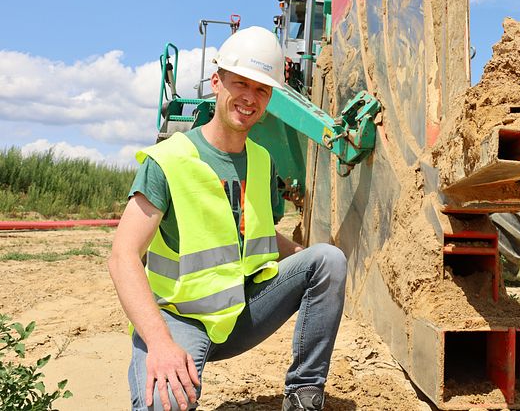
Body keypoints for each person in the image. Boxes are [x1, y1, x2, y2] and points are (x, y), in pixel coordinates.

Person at [108, 26, 346, 411]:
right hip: (180, 320)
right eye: (240, 84)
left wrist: (307, 259)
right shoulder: (168, 161)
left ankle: (303, 395)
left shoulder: (262, 160)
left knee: (329, 259)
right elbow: (122, 258)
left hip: (243, 311)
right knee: (163, 405)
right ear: (216, 82)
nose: (250, 98)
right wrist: (160, 342)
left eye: (261, 90)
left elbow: (257, 232)